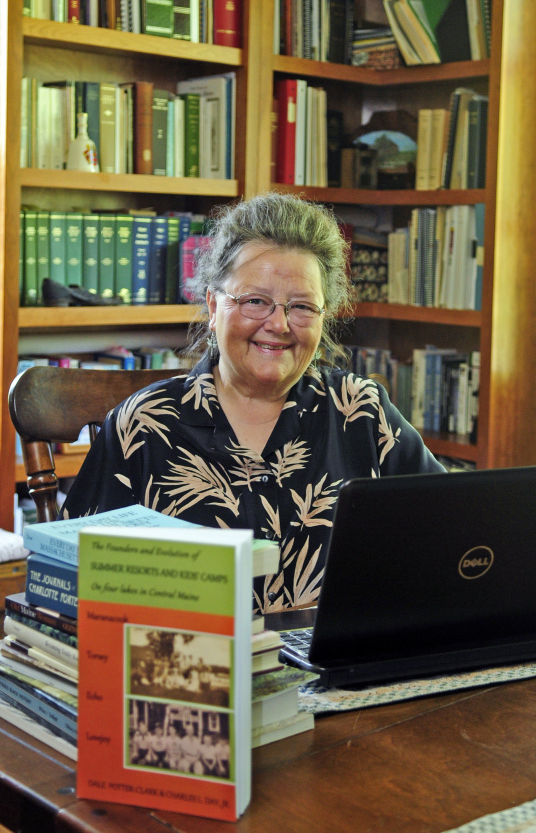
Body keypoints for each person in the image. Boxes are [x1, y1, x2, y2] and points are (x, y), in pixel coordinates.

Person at [59, 192, 445, 611]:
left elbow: (449, 530)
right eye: (255, 301)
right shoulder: (143, 425)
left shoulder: (363, 413)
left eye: (301, 307)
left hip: (331, 668)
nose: (277, 325)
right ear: (212, 304)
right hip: (185, 665)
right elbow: (76, 581)